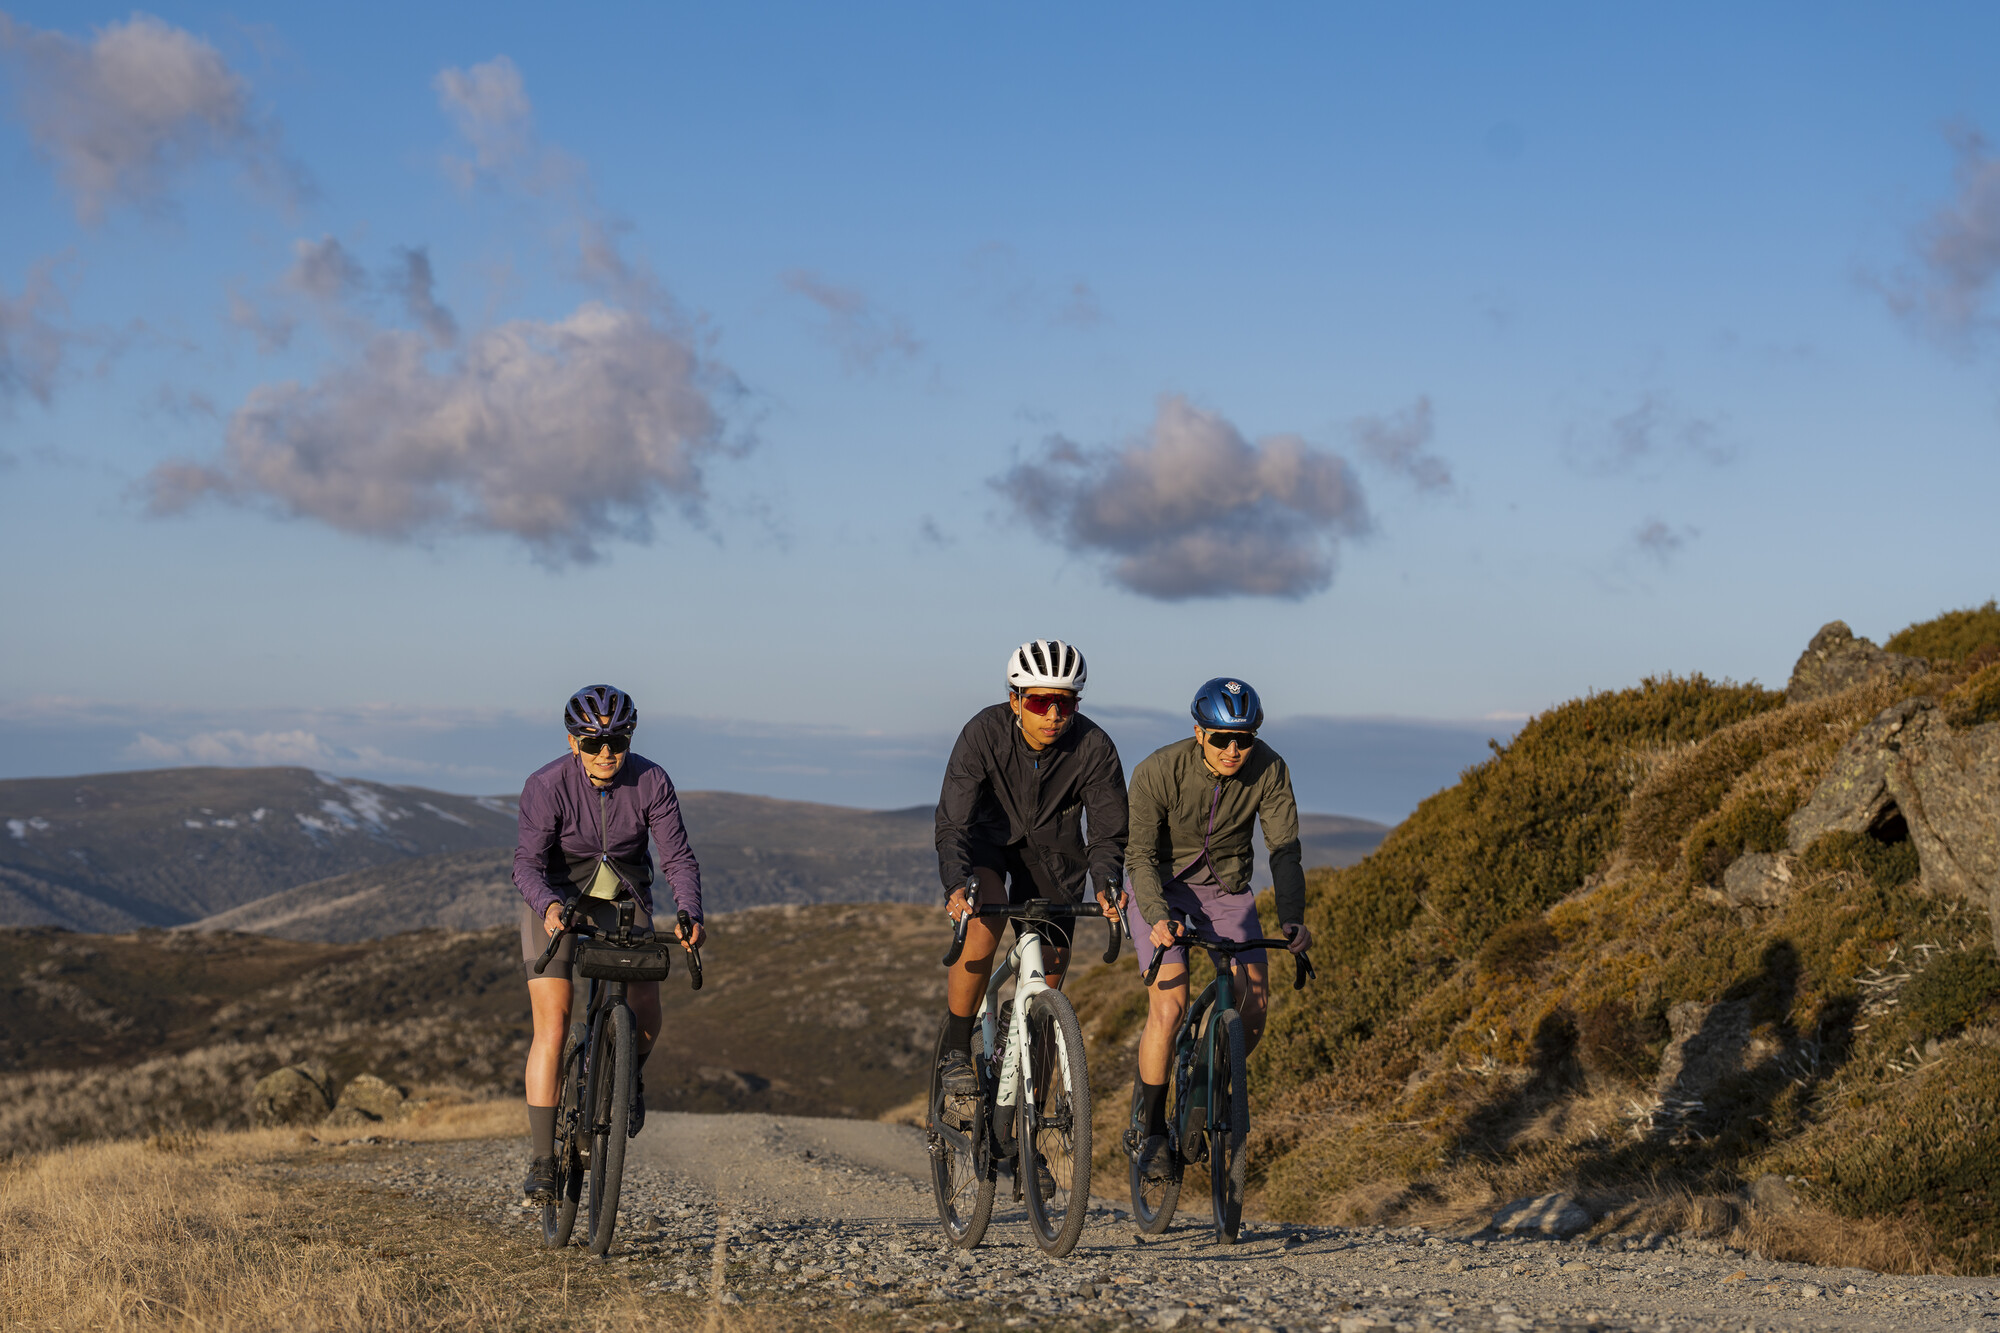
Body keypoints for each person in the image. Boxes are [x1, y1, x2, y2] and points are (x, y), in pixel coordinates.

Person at [514, 684, 704, 1204]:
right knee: (553, 1020)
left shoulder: (651, 780)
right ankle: (542, 1159)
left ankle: (626, 1080)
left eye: (616, 742)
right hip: (555, 898)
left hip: (623, 894)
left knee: (645, 1004)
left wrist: (690, 913)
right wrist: (550, 909)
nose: (605, 754)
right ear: (573, 742)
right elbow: (526, 866)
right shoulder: (546, 784)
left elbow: (678, 858)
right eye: (593, 743)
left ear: (629, 739)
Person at [1124, 676, 1312, 1181]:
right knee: (1170, 1005)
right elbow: (1138, 855)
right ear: (1198, 731)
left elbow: (1284, 850)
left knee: (1255, 1003)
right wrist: (1156, 915)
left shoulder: (1270, 769)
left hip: (1225, 888)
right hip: (1158, 886)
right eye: (1222, 738)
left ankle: (1206, 1080)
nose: (1234, 749)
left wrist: (1293, 917)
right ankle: (1153, 1128)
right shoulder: (1158, 770)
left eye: (1244, 738)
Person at [934, 639, 1129, 1097]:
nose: (1054, 714)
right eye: (1040, 701)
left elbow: (1107, 833)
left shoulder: (1094, 746)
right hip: (988, 848)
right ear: (1015, 700)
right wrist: (956, 883)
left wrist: (1106, 884)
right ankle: (957, 1050)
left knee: (1045, 996)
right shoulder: (982, 733)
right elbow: (953, 821)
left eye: (1065, 703)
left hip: (1055, 860)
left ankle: (1033, 1135)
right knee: (985, 917)